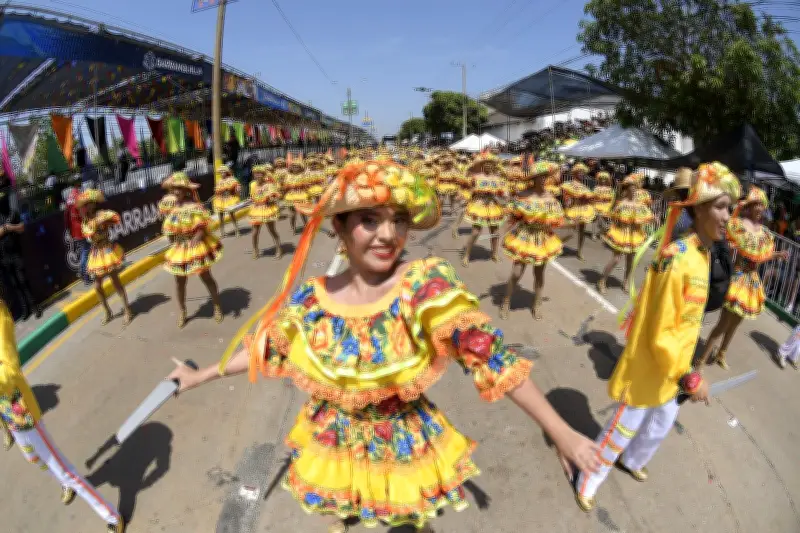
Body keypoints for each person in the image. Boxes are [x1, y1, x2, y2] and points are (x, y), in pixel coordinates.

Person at [167, 160, 600, 533]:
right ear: (339, 226)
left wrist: (561, 433)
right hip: (333, 436)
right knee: (337, 503)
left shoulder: (423, 285)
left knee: (411, 522)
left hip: (401, 438)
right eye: (369, 220)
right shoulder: (313, 299)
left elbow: (489, 355)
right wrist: (200, 375)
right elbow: (269, 349)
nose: (388, 235)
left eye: (399, 220)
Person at [575, 161, 741, 512]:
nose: (729, 217)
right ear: (697, 209)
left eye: (731, 208)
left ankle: (631, 461)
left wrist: (687, 368)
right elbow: (660, 331)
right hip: (655, 362)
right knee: (626, 423)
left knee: (661, 422)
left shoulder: (704, 254)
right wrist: (689, 376)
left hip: (678, 365)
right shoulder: (677, 259)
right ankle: (589, 477)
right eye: (722, 207)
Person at [0, 294, 125, 532]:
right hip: (8, 412)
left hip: (22, 411)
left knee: (66, 471)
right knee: (32, 457)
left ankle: (112, 516)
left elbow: (11, 369)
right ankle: (63, 480)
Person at [697, 185, 789, 370]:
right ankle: (700, 362)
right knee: (723, 323)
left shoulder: (764, 234)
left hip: (752, 281)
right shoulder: (738, 226)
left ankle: (721, 353)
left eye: (762, 206)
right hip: (738, 278)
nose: (761, 209)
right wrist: (728, 249)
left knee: (735, 324)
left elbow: (761, 257)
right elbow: (725, 243)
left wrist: (777, 255)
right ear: (750, 206)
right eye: (757, 205)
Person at [499, 161, 569, 321]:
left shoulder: (550, 198)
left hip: (542, 238)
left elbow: (556, 221)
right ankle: (506, 301)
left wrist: (573, 223)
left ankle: (537, 304)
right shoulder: (524, 195)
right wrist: (503, 232)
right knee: (516, 273)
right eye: (540, 177)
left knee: (539, 273)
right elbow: (513, 216)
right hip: (524, 237)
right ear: (534, 179)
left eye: (545, 176)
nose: (543, 180)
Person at [161, 172, 224, 329]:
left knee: (206, 276)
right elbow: (170, 228)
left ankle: (217, 306)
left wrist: (197, 237)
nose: (176, 192)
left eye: (180, 189)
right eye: (174, 189)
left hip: (195, 247)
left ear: (186, 190)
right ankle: (182, 311)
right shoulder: (172, 208)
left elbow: (203, 226)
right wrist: (172, 240)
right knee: (179, 282)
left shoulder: (195, 207)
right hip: (180, 248)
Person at [77, 190, 133, 325]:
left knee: (115, 281)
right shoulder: (85, 221)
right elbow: (88, 233)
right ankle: (107, 311)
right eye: (86, 204)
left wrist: (102, 220)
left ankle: (127, 310)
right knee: (97, 286)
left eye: (90, 203)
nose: (88, 206)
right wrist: (93, 223)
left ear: (94, 204)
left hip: (107, 250)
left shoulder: (102, 214)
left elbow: (115, 218)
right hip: (96, 253)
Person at [596, 175, 654, 295]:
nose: (633, 190)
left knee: (630, 261)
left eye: (635, 188)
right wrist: (607, 227)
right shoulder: (621, 204)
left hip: (634, 235)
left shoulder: (641, 206)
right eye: (630, 188)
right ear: (626, 190)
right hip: (621, 234)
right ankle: (602, 280)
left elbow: (647, 217)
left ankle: (626, 282)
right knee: (616, 259)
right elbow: (613, 218)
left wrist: (653, 219)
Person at [461, 153, 508, 267]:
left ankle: (494, 253)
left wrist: (505, 195)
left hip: (493, 206)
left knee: (495, 232)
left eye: (490, 164)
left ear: (494, 166)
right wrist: (468, 196)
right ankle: (466, 255)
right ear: (482, 165)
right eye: (486, 164)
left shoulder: (497, 178)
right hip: (479, 205)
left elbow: (503, 193)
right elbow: (467, 187)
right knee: (476, 232)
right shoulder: (476, 177)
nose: (488, 166)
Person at [0, 184, 39, 320]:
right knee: (15, 285)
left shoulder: (13, 213)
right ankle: (25, 310)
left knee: (23, 280)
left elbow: (22, 227)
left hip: (16, 253)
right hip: (4, 257)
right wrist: (5, 229)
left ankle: (34, 307)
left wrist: (10, 227)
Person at [560, 163, 595, 261]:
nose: (582, 174)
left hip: (583, 210)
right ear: (575, 172)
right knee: (571, 231)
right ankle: (558, 244)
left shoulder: (584, 187)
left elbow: (589, 198)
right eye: (580, 172)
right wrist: (568, 203)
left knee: (582, 232)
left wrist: (587, 200)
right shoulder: (569, 184)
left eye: (583, 172)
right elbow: (566, 198)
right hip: (573, 209)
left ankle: (579, 251)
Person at [248, 164, 282, 260]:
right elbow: (252, 197)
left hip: (267, 210)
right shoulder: (252, 184)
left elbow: (274, 197)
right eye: (256, 174)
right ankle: (255, 250)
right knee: (255, 232)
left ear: (264, 175)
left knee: (272, 231)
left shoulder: (269, 185)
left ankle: (279, 249)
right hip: (256, 210)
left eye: (260, 174)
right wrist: (251, 200)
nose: (258, 175)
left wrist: (271, 199)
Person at [64, 178, 91, 285]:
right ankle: (84, 273)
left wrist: (68, 228)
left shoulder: (70, 197)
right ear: (77, 184)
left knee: (83, 249)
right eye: (79, 181)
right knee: (86, 250)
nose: (81, 182)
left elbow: (66, 214)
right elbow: (83, 213)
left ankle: (83, 271)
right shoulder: (79, 196)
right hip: (81, 227)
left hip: (74, 228)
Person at [212, 165, 241, 237]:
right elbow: (217, 190)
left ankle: (237, 230)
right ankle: (222, 232)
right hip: (221, 200)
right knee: (220, 216)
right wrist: (218, 191)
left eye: (224, 172)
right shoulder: (219, 181)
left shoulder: (231, 179)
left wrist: (237, 189)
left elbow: (237, 187)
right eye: (221, 172)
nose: (222, 173)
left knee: (232, 214)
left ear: (227, 172)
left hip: (229, 199)